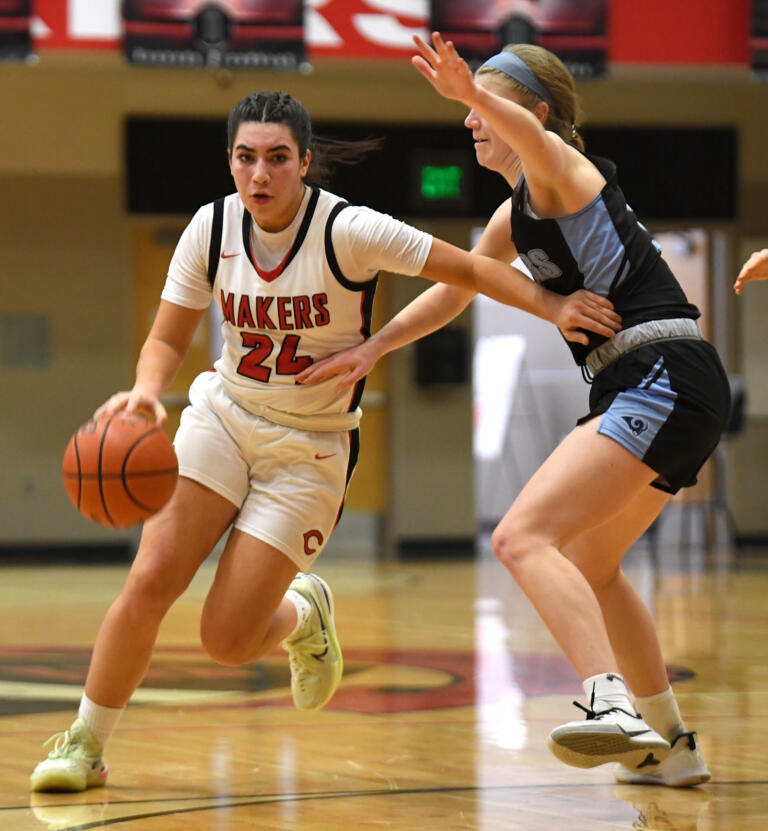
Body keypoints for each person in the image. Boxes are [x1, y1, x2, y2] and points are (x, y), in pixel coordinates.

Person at [30, 90, 620, 793]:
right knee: (152, 576)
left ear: (305, 163)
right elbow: (167, 334)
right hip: (224, 417)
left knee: (225, 639)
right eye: (246, 158)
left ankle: (305, 611)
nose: (260, 174)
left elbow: (465, 269)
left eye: (278, 158)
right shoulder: (210, 227)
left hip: (308, 448)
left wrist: (551, 304)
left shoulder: (348, 229)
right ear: (230, 162)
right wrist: (148, 390)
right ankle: (85, 742)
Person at [297, 35, 731, 787]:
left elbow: (535, 136)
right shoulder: (514, 213)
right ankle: (673, 746)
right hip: (664, 384)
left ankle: (610, 703)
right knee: (592, 564)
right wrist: (376, 348)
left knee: (522, 536)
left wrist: (470, 88)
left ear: (532, 112)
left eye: (486, 107)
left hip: (660, 371)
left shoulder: (563, 168)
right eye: (471, 107)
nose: (471, 121)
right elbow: (457, 287)